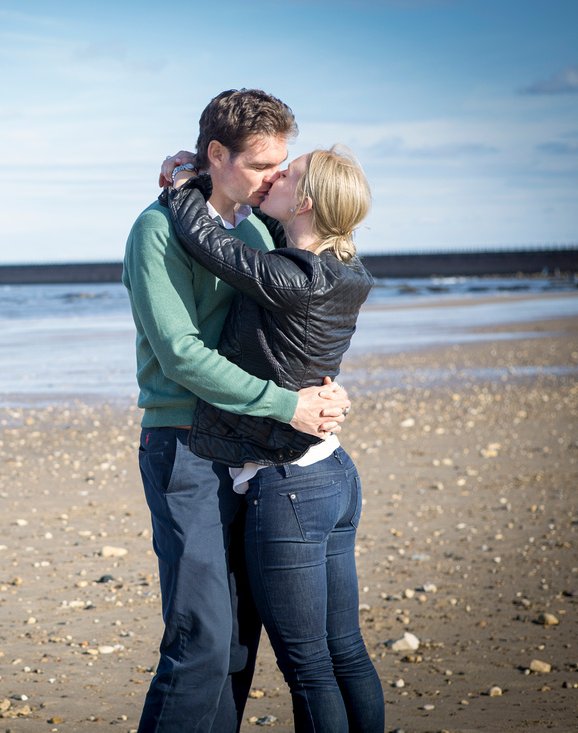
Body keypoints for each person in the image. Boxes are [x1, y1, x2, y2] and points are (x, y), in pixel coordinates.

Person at [123, 88, 352, 733]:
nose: (273, 179)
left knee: (236, 648)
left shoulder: (256, 225)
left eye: (280, 167)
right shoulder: (156, 230)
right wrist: (289, 405)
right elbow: (181, 357)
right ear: (217, 154)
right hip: (185, 445)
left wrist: (323, 386)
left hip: (247, 449)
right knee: (199, 640)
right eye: (260, 166)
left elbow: (313, 279)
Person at [159, 143, 385, 731]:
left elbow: (207, 241)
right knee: (345, 651)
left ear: (306, 200)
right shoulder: (345, 272)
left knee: (309, 665)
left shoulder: (290, 275)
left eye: (289, 172)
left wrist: (187, 178)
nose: (276, 176)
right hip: (334, 473)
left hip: (290, 486)